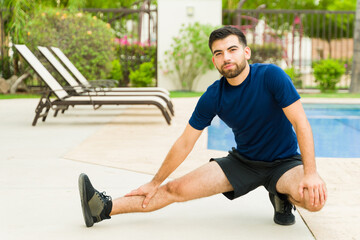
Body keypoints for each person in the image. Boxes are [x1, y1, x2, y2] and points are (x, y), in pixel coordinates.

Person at [78, 26, 327, 228]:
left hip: (284, 163)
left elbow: (300, 122)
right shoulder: (213, 96)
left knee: (314, 199)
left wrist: (311, 172)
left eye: (232, 49)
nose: (226, 57)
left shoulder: (271, 76)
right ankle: (103, 207)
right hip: (244, 163)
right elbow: (186, 142)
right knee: (174, 189)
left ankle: (282, 195)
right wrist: (155, 181)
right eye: (219, 53)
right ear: (214, 60)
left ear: (246, 52)